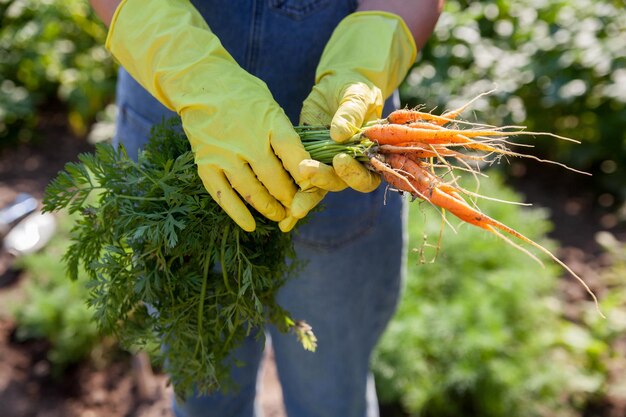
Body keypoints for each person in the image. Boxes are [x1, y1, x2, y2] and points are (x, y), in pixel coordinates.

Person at [88, 1, 442, 416]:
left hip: (337, 149)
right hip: (178, 129)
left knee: (330, 396)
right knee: (205, 389)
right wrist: (196, 77)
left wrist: (368, 58)